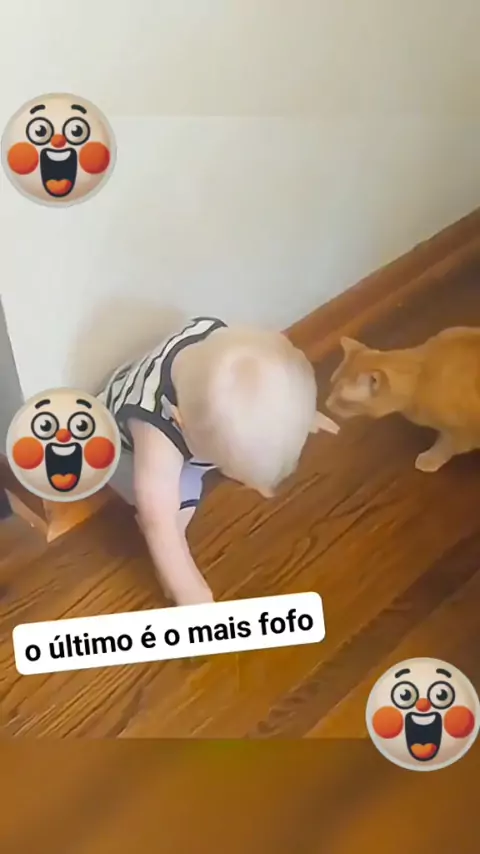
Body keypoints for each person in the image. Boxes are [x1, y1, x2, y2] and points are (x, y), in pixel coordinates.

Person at [98, 317, 338, 605]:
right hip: (119, 447)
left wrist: (295, 418)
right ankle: (173, 546)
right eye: (224, 464)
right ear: (181, 423)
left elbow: (260, 395)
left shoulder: (221, 349)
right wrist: (189, 591)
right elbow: (157, 521)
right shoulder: (156, 436)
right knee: (171, 508)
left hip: (174, 410)